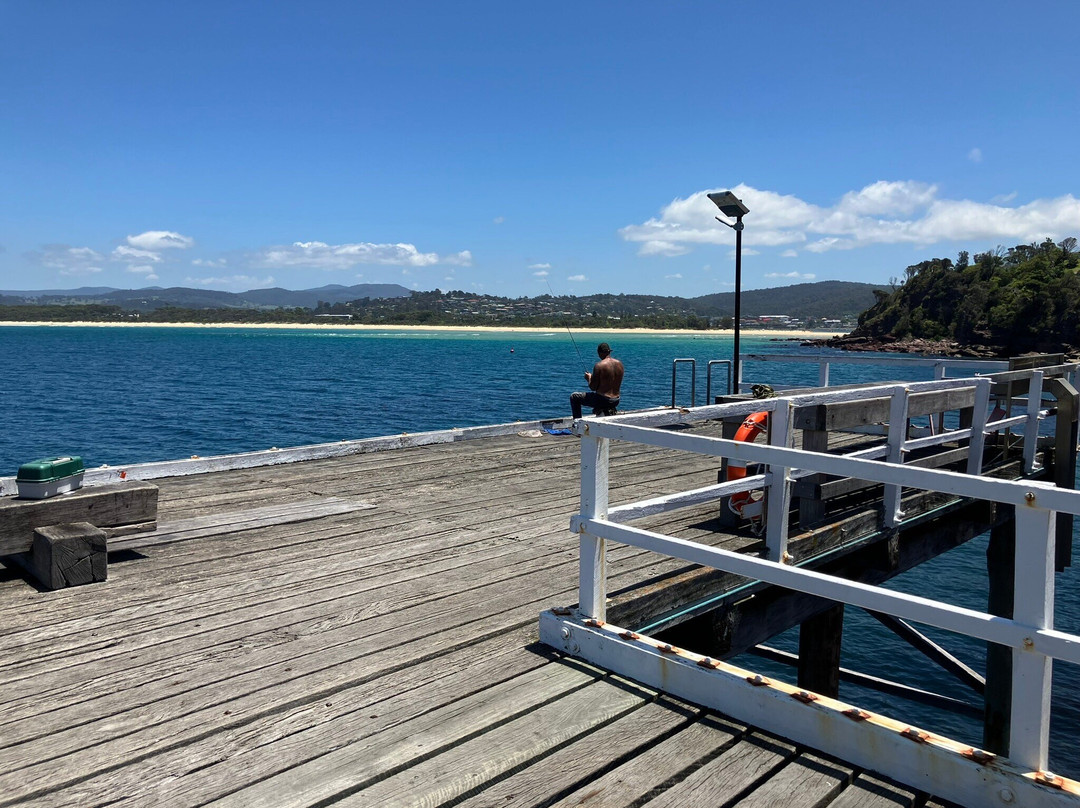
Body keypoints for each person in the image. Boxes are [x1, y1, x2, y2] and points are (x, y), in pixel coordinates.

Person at [570, 342, 624, 419]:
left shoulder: (599, 366)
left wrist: (588, 378)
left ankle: (577, 423)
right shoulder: (620, 364)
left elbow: (593, 387)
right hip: (616, 400)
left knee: (574, 397)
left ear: (599, 353)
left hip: (603, 400)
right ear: (609, 352)